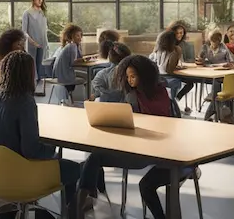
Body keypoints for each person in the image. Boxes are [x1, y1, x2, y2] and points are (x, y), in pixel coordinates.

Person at [77, 55, 197, 219]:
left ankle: (81, 204)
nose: (129, 80)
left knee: (95, 162)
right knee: (93, 159)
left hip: (163, 152)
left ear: (145, 75)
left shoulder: (161, 93)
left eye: (133, 76)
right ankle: (79, 206)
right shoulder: (132, 94)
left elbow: (159, 122)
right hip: (138, 149)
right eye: (127, 77)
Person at [0, 51, 80, 219]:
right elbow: (31, 151)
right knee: (73, 168)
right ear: (29, 74)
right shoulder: (25, 102)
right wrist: (54, 148)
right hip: (21, 177)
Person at [150, 30, 192, 110]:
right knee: (190, 83)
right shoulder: (174, 51)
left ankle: (173, 101)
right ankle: (176, 99)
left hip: (158, 76)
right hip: (168, 76)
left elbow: (151, 61)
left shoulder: (157, 50)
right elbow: (169, 70)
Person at [52, 23, 84, 103]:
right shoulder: (72, 46)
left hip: (59, 75)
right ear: (71, 36)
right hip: (65, 76)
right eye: (77, 36)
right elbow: (73, 63)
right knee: (90, 76)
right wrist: (84, 60)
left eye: (80, 36)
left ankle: (72, 99)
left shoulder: (66, 46)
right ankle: (85, 100)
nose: (80, 38)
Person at [22, 0, 49, 83]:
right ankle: (32, 85)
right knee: (32, 65)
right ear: (33, 0)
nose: (41, 1)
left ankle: (40, 84)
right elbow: (24, 31)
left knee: (41, 65)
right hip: (32, 44)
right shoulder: (27, 13)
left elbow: (45, 29)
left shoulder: (43, 12)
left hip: (42, 43)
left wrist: (46, 42)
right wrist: (32, 42)